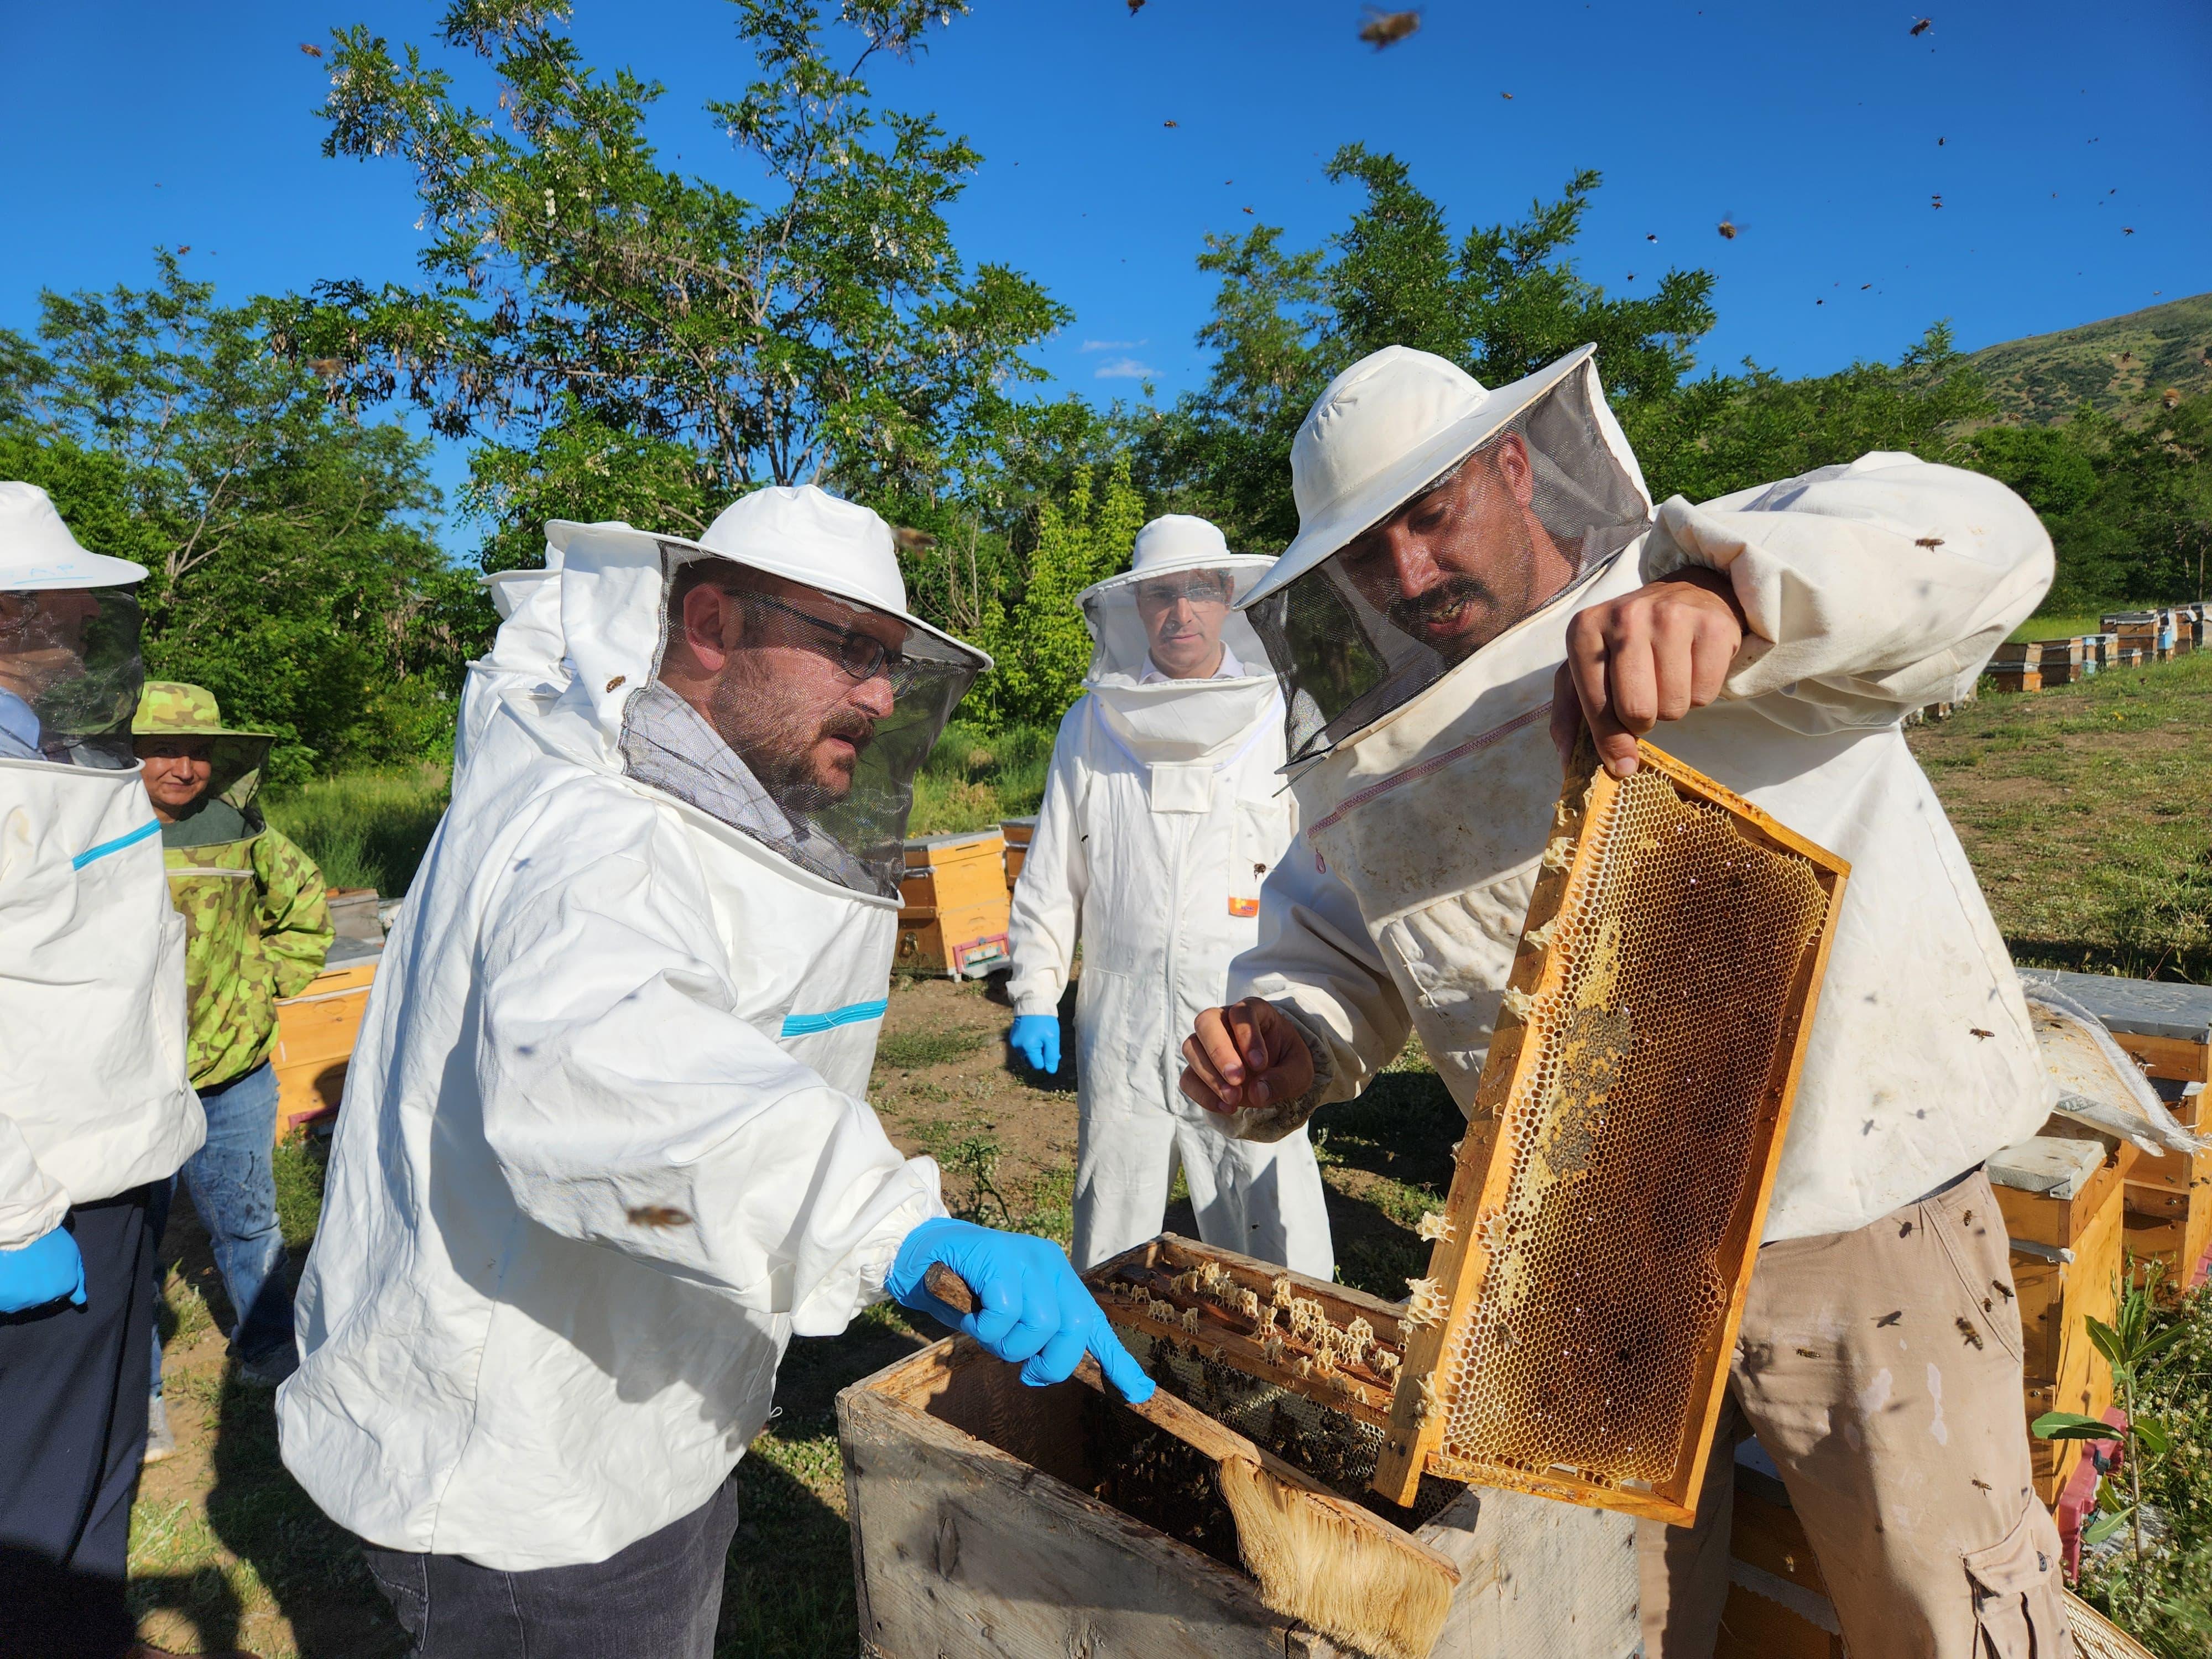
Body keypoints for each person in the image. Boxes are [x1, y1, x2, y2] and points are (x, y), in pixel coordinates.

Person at [1176, 346, 2069, 1658]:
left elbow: (1983, 538)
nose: (1408, 575)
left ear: (1514, 465)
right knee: (1599, 1622)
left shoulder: (1696, 564)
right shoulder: (1375, 741)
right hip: (1583, 1257)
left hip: (1849, 1211)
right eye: (1368, 556)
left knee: (1938, 1608)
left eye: (1429, 516)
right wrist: (1286, 1034)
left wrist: (1729, 598)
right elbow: (1339, 939)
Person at [276, 486, 1151, 1657]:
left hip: (631, 1402)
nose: (882, 697)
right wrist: (886, 1228)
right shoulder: (598, 825)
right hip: (536, 1474)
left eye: (892, 664)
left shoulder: (668, 799)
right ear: (709, 626)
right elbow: (610, 1075)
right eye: (850, 650)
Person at [1005, 515, 1332, 1275]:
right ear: (1136, 607)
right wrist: (1034, 992)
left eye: (1199, 591)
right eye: (1161, 595)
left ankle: (1283, 1348)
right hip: (1119, 1018)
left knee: (1268, 1220)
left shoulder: (1284, 717)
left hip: (1250, 1015)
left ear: (1228, 597)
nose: (1181, 612)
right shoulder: (1091, 725)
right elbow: (1053, 872)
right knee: (1112, 1221)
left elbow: (1324, 877)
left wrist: (1316, 1006)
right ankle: (1110, 1346)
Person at [0, 482, 207, 1656]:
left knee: (94, 1462)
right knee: (38, 1495)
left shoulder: (36, 751)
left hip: (104, 1172)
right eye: (62, 600)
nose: (86, 622)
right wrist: (12, 1217)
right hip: (42, 1198)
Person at [134, 681, 332, 1463]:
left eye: (198, 753)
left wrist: (261, 985)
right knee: (130, 1246)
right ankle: (140, 1397)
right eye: (163, 750)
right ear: (130, 755)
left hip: (233, 1072)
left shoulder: (246, 833)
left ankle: (268, 1349)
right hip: (127, 1080)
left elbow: (306, 907)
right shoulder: (95, 831)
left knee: (249, 1221)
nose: (183, 768)